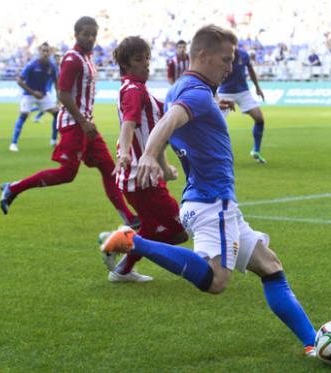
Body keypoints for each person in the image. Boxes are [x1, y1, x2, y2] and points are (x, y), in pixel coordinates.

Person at [100, 25, 317, 357]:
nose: (230, 68)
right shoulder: (195, 94)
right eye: (225, 60)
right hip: (213, 202)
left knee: (270, 266)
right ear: (201, 55)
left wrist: (215, 106)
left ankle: (312, 343)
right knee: (216, 280)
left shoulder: (185, 88)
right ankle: (134, 241)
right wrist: (147, 155)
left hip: (207, 201)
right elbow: (170, 120)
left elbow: (179, 114)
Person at [0, 16, 138, 230]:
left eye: (93, 34)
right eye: (86, 34)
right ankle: (13, 188)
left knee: (109, 169)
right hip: (76, 124)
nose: (90, 38)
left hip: (86, 124)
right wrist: (83, 123)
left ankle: (129, 217)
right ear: (76, 34)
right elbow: (63, 94)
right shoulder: (72, 59)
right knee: (67, 174)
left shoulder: (88, 57)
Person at [103, 35, 189, 283]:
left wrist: (213, 104)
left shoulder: (139, 90)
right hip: (139, 176)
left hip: (146, 175)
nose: (147, 64)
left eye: (147, 58)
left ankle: (123, 265)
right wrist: (124, 154)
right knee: (177, 230)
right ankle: (122, 242)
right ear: (126, 65)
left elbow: (167, 114)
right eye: (140, 60)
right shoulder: (132, 90)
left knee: (163, 229)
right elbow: (129, 123)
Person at [217, 45, 268, 163]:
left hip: (243, 92)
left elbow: (250, 69)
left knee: (259, 119)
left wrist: (257, 87)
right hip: (225, 93)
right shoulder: (221, 56)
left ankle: (256, 150)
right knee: (216, 123)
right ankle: (215, 153)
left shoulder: (244, 55)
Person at [9, 42, 59, 151]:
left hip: (43, 95)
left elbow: (56, 82)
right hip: (29, 94)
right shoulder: (32, 65)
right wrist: (33, 92)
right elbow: (19, 80)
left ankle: (54, 140)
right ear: (39, 52)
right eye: (43, 51)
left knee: (57, 113)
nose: (45, 53)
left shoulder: (52, 66)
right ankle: (13, 143)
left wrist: (59, 98)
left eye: (47, 51)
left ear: (50, 52)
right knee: (24, 115)